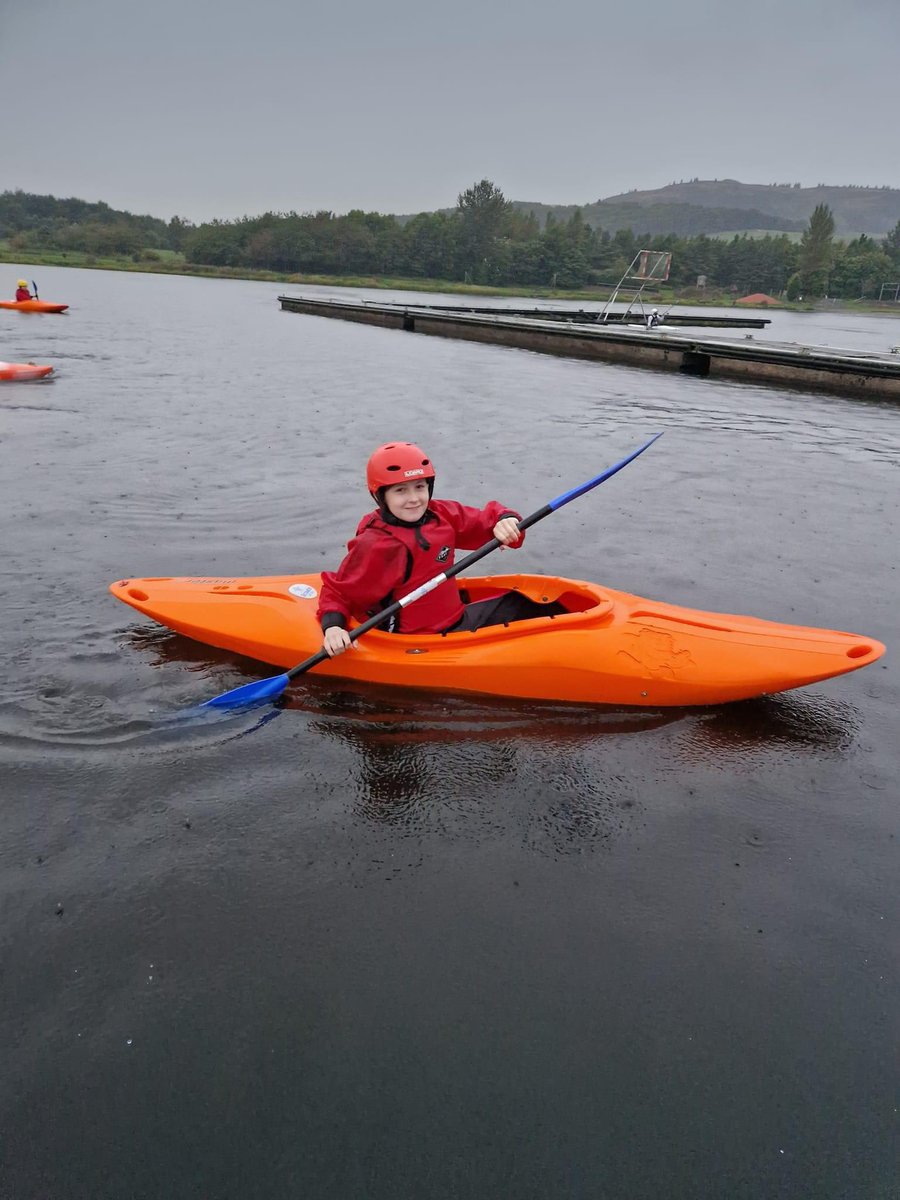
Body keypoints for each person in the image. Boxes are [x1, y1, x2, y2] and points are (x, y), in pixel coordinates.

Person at [318, 441, 567, 656]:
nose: (414, 499)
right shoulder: (377, 544)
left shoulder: (439, 515)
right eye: (401, 491)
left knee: (528, 605)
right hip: (417, 640)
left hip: (455, 619)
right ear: (381, 496)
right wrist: (333, 626)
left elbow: (486, 520)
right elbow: (340, 592)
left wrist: (506, 521)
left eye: (420, 487)